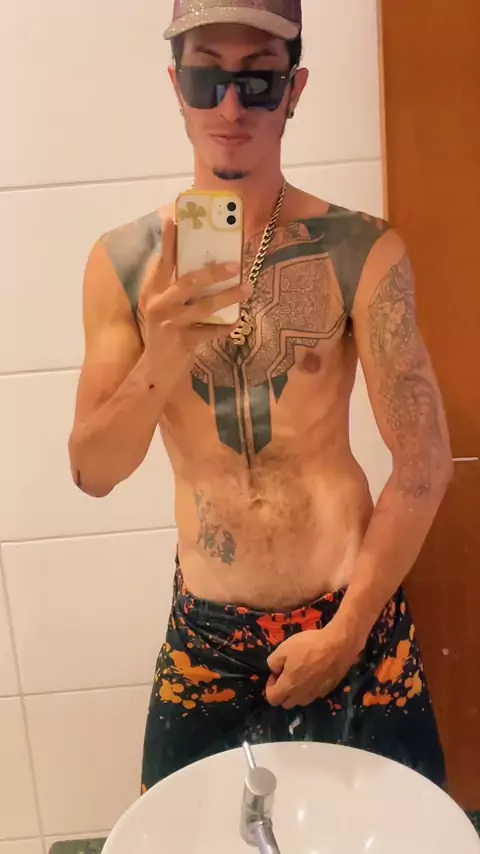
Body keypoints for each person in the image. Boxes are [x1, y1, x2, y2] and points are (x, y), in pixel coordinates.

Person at [68, 0, 453, 792]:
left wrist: (347, 632)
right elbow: (94, 471)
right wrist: (161, 354)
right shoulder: (125, 264)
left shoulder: (360, 252)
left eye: (258, 81)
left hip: (352, 616)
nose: (230, 108)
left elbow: (424, 464)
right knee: (185, 838)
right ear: (176, 86)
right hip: (208, 636)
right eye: (206, 79)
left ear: (295, 89)